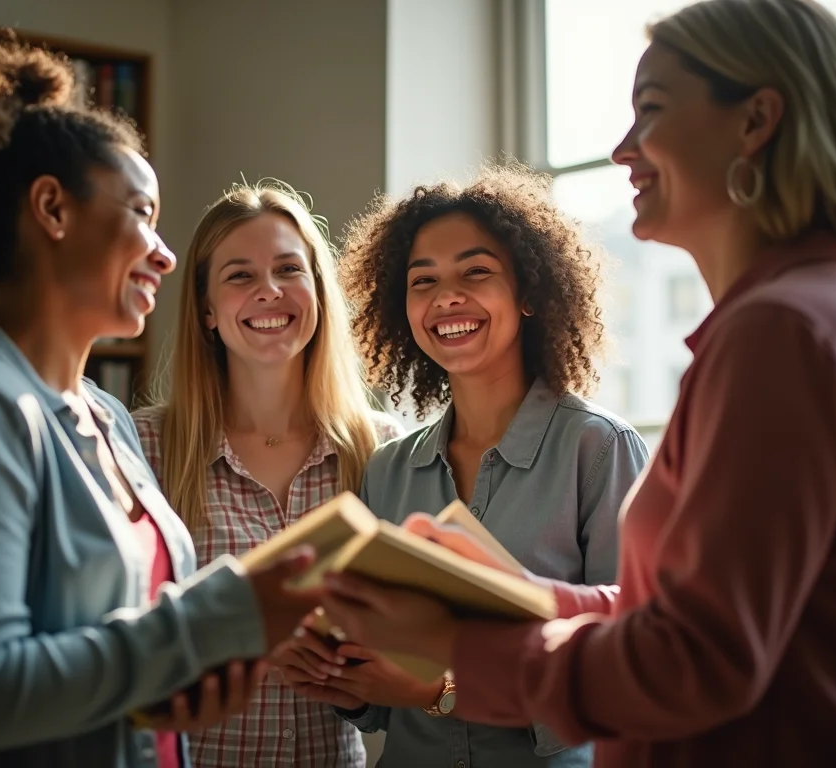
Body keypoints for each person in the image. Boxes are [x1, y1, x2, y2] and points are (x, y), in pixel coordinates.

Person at [315, 1, 836, 766]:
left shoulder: (781, 335)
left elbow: (698, 660)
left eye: (652, 112)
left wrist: (460, 652)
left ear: (755, 121)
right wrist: (526, 598)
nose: (622, 149)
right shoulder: (788, 322)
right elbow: (671, 615)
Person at [0, 41, 320, 768]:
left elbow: (116, 656)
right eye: (142, 213)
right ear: (52, 208)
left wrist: (177, 687)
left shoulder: (108, 419)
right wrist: (218, 618)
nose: (166, 255)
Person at [276, 164, 649, 767]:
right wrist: (332, 669)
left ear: (529, 292)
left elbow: (630, 669)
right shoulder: (390, 469)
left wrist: (443, 692)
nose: (447, 297)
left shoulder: (598, 449)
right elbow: (375, 704)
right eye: (423, 281)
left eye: (476, 272)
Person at [131, 180, 403, 767]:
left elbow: (414, 654)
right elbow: (120, 639)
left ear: (318, 291)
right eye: (239, 276)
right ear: (206, 309)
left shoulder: (384, 450)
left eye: (288, 269)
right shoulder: (145, 446)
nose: (269, 291)